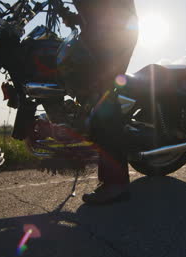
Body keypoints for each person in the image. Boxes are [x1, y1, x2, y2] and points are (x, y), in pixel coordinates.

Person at [60, 0, 139, 204]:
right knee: (89, 94)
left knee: (101, 99)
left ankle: (116, 183)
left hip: (113, 31)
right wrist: (76, 18)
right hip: (103, 28)